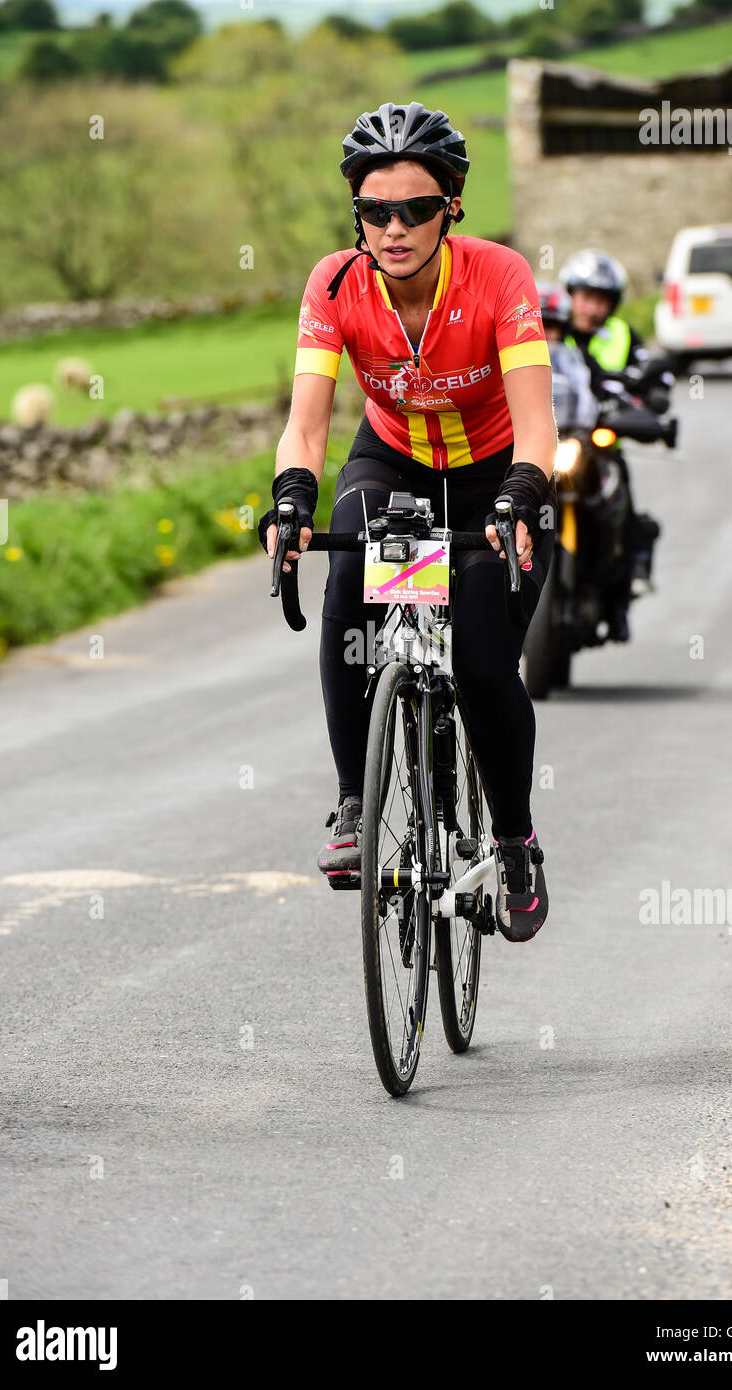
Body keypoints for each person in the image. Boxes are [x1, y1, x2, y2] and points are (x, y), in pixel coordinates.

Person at [259, 102, 558, 943]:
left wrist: (523, 491)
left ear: (451, 206)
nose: (393, 228)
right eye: (375, 210)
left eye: (415, 209)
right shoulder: (335, 283)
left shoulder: (498, 275)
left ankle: (513, 841)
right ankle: (357, 802)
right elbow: (309, 423)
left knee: (483, 659)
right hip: (391, 465)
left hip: (496, 478)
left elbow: (537, 420)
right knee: (349, 577)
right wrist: (290, 496)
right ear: (356, 212)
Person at [559, 249, 661, 640]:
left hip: (599, 440)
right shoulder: (549, 329)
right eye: (584, 296)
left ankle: (624, 589)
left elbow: (652, 378)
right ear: (570, 295)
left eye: (600, 299)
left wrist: (651, 403)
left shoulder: (622, 336)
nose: (590, 306)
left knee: (621, 498)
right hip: (553, 434)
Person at [536, 283, 597, 433]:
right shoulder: (506, 359)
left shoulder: (572, 358)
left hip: (565, 434)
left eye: (553, 327)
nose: (549, 335)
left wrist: (583, 426)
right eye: (542, 325)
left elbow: (584, 389)